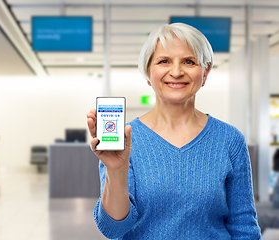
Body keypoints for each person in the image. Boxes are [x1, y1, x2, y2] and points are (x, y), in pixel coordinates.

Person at [86, 23, 261, 239]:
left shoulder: (230, 139)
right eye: (164, 61)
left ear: (205, 72)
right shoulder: (126, 138)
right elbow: (113, 230)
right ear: (148, 72)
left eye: (189, 61)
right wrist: (116, 170)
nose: (176, 72)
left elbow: (244, 226)